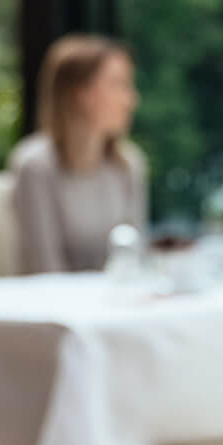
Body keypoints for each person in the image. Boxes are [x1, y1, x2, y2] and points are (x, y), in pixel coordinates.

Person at [10, 34, 146, 274]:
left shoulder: (128, 163)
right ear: (82, 94)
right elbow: (46, 272)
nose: (131, 99)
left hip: (116, 304)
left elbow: (135, 259)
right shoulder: (35, 166)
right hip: (57, 307)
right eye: (119, 84)